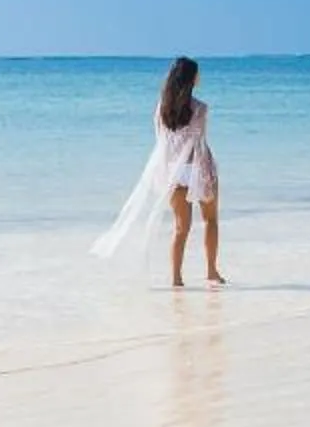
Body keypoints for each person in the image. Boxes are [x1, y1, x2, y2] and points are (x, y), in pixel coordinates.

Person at [91, 56, 226, 287]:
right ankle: (212, 272)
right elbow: (199, 142)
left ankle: (176, 278)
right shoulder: (201, 108)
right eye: (198, 73)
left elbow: (162, 143)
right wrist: (209, 173)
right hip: (197, 168)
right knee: (211, 220)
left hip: (173, 171)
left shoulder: (161, 110)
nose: (200, 76)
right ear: (191, 78)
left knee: (181, 228)